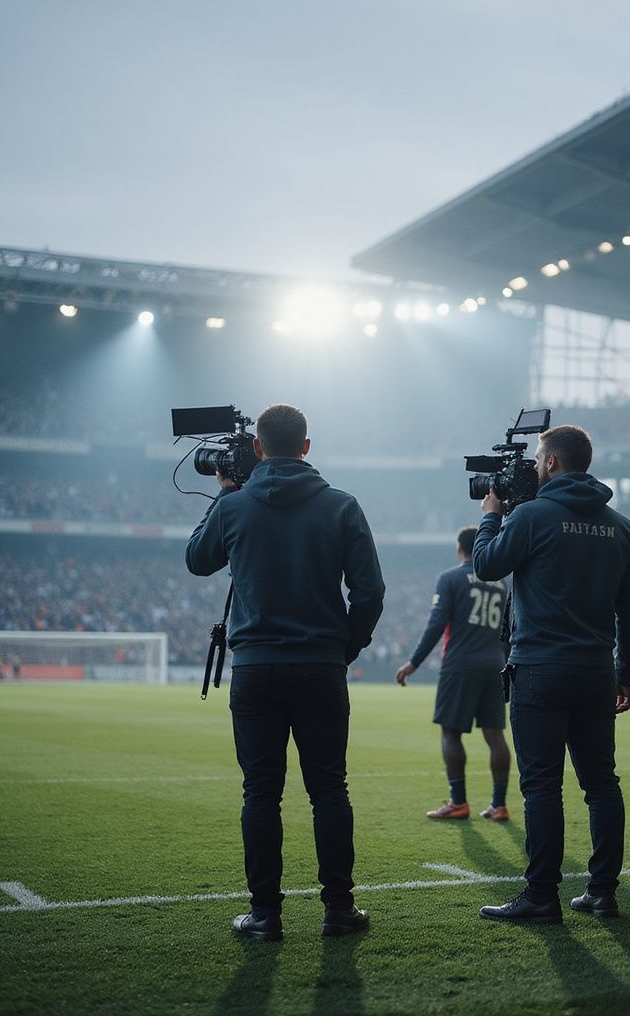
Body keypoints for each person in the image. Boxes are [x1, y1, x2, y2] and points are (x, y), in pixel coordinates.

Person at [186, 403, 384, 942]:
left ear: (255, 449)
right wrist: (345, 647)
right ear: (306, 446)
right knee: (329, 790)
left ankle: (266, 916)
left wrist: (227, 492)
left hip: (256, 669)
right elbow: (370, 592)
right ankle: (339, 911)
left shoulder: (235, 506)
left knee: (260, 794)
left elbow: (197, 560)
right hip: (320, 668)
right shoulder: (342, 505)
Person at [470, 424, 630, 924]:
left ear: (551, 464)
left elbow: (485, 564)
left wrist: (490, 516)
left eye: (538, 458)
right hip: (596, 673)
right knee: (602, 784)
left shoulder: (530, 515)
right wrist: (625, 673)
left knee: (542, 786)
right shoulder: (621, 526)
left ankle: (541, 897)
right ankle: (603, 893)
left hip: (540, 669)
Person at [395, 527, 511, 821]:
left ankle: (458, 802)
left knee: (450, 731)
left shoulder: (450, 578)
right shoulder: (501, 585)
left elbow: (436, 624)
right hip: (495, 665)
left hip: (460, 664)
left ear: (460, 549)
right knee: (495, 736)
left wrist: (414, 662)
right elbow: (510, 631)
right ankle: (499, 805)